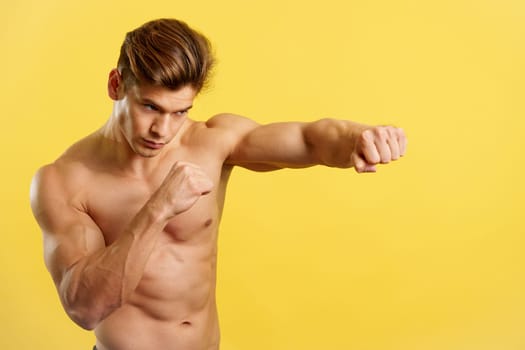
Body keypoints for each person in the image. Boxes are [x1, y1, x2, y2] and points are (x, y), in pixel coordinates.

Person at [30, 18, 407, 350]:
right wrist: (158, 209)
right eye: (150, 107)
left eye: (180, 111)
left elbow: (310, 139)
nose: (163, 130)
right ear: (116, 85)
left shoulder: (210, 142)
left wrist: (360, 138)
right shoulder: (64, 180)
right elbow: (84, 307)